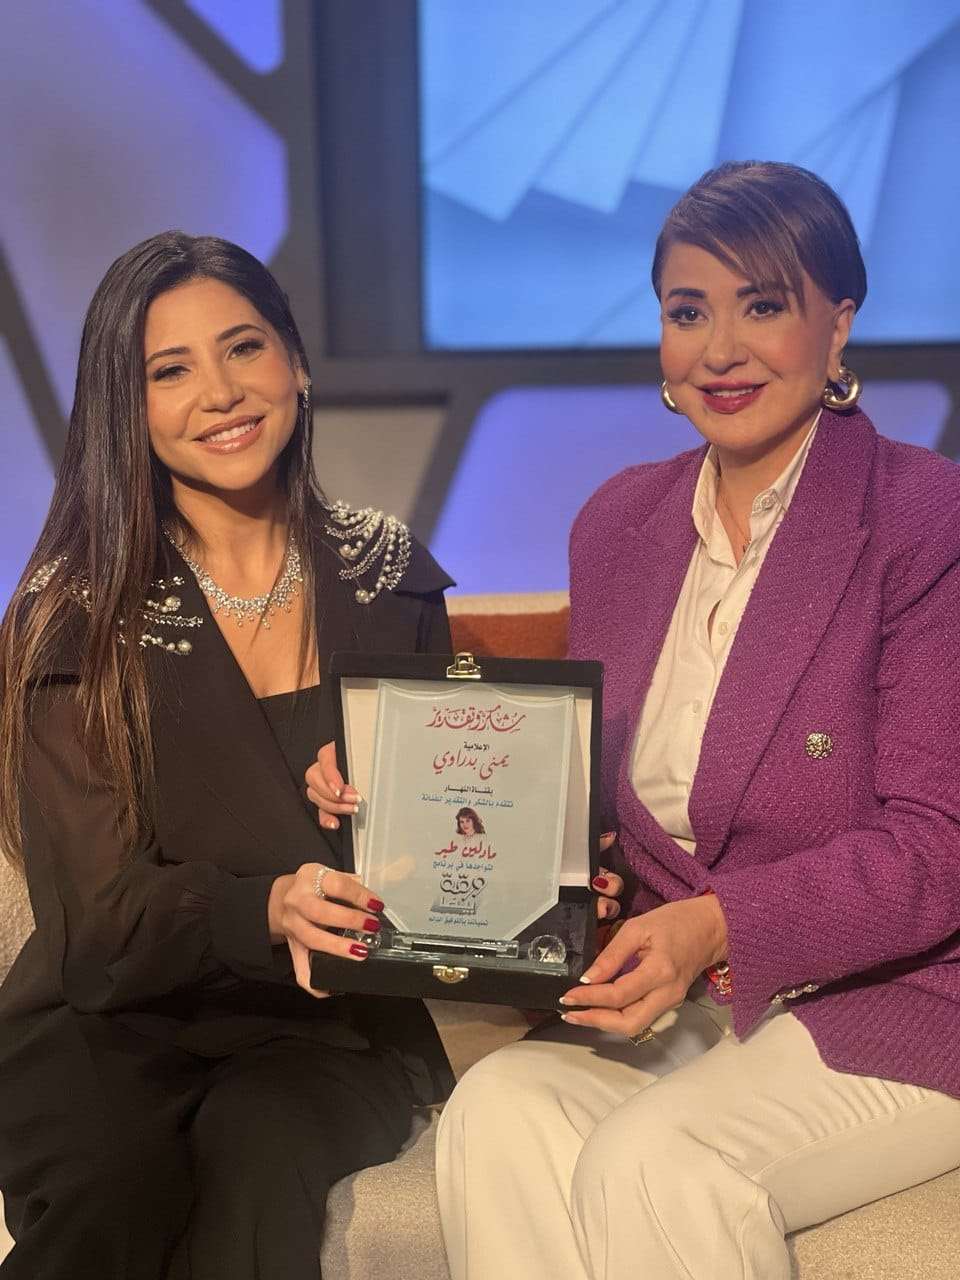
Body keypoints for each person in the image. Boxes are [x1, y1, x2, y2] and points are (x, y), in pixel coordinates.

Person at [435, 161, 960, 1279]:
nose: (719, 350)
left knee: (659, 1162)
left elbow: (939, 846)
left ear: (838, 324)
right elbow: (606, 809)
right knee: (499, 1107)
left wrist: (716, 926)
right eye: (687, 312)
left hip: (904, 992)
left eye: (762, 306)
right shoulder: (617, 523)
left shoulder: (925, 517)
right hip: (701, 1001)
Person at [0, 232, 460, 1280]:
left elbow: (441, 859)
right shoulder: (76, 615)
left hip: (325, 1029)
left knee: (260, 1161)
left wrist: (407, 818)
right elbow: (98, 927)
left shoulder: (391, 577)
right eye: (170, 370)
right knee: (113, 1177)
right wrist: (265, 907)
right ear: (126, 407)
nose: (220, 392)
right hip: (109, 1021)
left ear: (295, 361)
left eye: (243, 347)